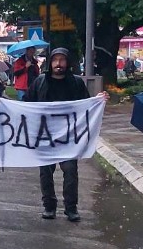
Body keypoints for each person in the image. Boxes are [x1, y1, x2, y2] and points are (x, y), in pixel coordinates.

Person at [24, 48, 109, 222]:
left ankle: (71, 208)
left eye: (62, 60)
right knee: (45, 173)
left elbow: (86, 106)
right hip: (44, 136)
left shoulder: (76, 83)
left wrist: (98, 100)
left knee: (70, 171)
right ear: (50, 62)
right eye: (55, 60)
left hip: (69, 137)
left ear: (68, 63)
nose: (58, 64)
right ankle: (49, 206)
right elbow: (26, 105)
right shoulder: (40, 82)